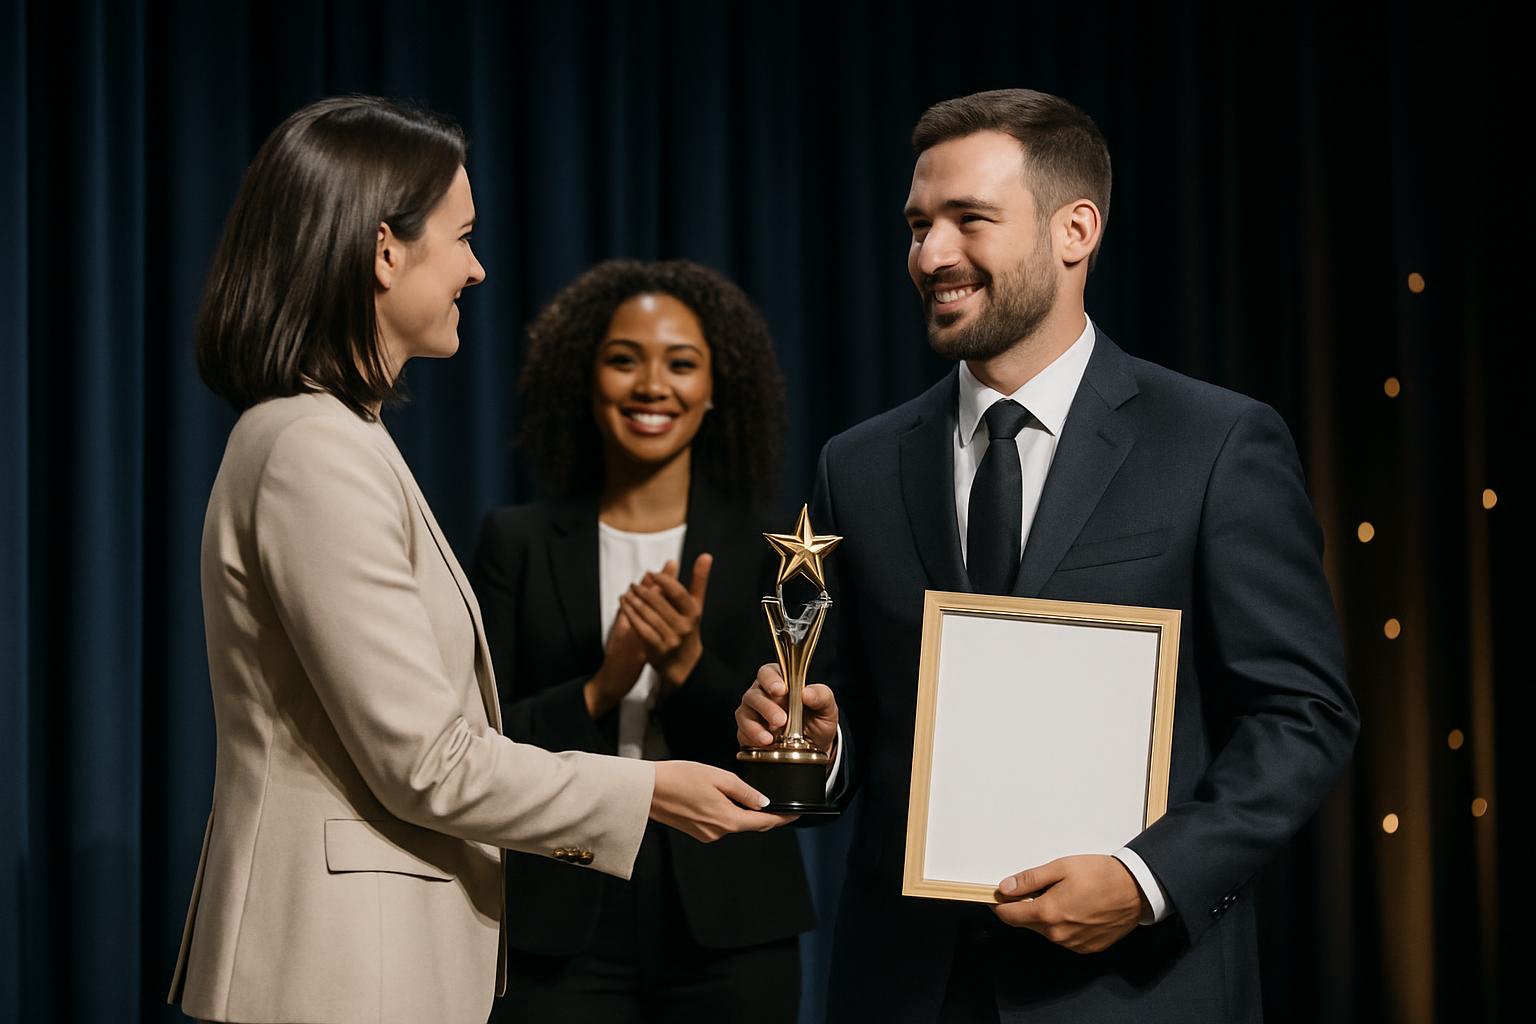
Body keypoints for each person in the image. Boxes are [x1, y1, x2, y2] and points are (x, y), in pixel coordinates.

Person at [736, 88, 1359, 1022]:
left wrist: (1145, 878)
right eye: (917, 225)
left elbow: (1302, 714)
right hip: (908, 988)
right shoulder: (856, 464)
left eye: (968, 221)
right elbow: (850, 713)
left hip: (1139, 988)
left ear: (1076, 231)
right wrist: (815, 748)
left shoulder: (1217, 443)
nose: (931, 254)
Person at [167, 96, 788, 1024]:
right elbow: (426, 761)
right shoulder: (312, 449)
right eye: (461, 237)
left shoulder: (332, 436)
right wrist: (649, 790)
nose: (477, 267)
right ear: (384, 252)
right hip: (341, 970)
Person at [471, 259, 816, 1023]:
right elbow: (476, 742)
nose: (652, 385)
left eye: (681, 364)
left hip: (733, 923)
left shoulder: (778, 550)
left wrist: (687, 666)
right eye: (624, 359)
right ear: (585, 380)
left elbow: (801, 761)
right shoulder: (516, 540)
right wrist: (606, 680)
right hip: (559, 916)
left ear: (715, 387)